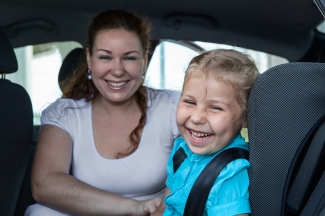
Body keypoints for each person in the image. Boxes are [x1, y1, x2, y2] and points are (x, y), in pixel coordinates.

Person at [25, 9, 180, 216]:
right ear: (89, 59)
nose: (117, 71)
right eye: (105, 57)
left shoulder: (172, 107)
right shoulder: (65, 113)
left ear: (144, 59)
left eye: (129, 58)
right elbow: (44, 183)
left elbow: (196, 170)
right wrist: (133, 208)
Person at [151, 49, 260, 216]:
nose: (196, 117)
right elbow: (163, 208)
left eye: (215, 107)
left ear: (245, 118)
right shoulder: (181, 150)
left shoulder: (230, 172)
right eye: (189, 102)